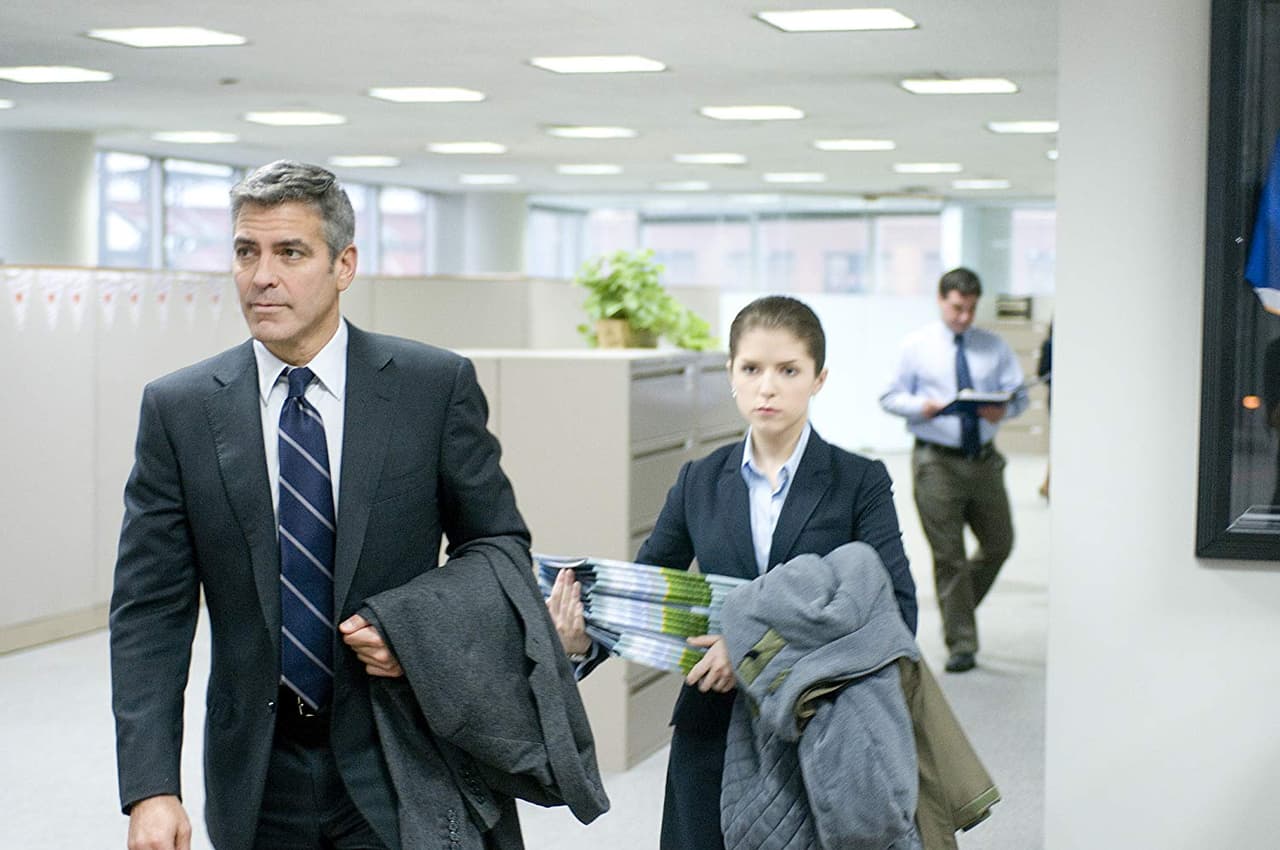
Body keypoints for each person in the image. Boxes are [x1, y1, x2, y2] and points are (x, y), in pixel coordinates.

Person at [109, 160, 531, 850]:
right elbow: (149, 610)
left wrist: (415, 628)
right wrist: (152, 786)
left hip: (402, 752)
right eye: (246, 252)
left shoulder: (431, 387)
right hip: (259, 770)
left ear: (344, 266)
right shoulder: (179, 409)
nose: (261, 276)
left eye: (290, 253)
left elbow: (498, 548)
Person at [548, 295, 918, 850]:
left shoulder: (857, 481)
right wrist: (584, 640)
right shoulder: (699, 480)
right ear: (731, 375)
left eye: (788, 370)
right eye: (751, 369)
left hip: (819, 723)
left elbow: (896, 613)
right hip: (712, 723)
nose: (767, 387)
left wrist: (751, 650)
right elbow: (647, 592)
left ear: (818, 379)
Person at [880, 267, 1028, 674]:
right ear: (941, 299)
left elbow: (1019, 397)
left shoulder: (993, 346)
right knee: (950, 557)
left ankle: (956, 610)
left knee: (999, 543)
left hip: (984, 460)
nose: (964, 317)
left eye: (971, 309)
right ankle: (962, 643)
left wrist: (1004, 410)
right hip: (936, 462)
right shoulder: (917, 346)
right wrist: (922, 406)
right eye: (957, 308)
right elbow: (889, 397)